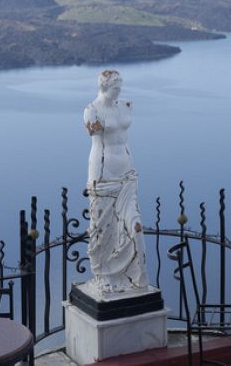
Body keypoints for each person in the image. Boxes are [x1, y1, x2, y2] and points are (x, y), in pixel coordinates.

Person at [83, 69, 151, 294]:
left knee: (135, 225)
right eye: (115, 88)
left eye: (120, 88)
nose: (119, 92)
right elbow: (95, 137)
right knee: (103, 228)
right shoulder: (91, 111)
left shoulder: (126, 105)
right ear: (104, 87)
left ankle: (133, 275)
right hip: (103, 174)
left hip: (127, 173)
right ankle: (105, 275)